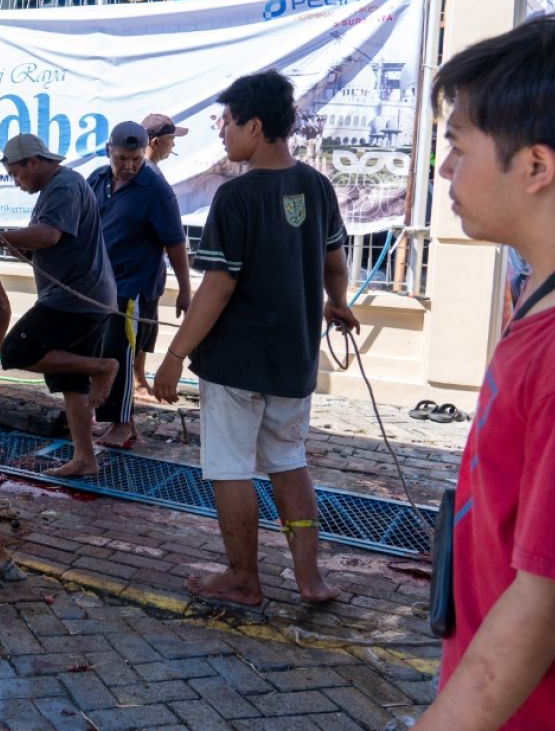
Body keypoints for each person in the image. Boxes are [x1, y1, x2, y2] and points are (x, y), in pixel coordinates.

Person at [413, 12, 555, 731]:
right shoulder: (539, 293)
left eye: (457, 147)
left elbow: (551, 596)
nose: (445, 170)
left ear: (536, 166)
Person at [153, 70, 354, 606]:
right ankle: (311, 580)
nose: (222, 132)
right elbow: (336, 261)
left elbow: (218, 285)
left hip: (236, 363)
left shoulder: (236, 196)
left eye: (228, 122)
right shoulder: (316, 184)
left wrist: (173, 356)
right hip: (293, 361)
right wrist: (338, 303)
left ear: (256, 125)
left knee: (230, 469)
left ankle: (244, 579)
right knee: (289, 463)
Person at [0, 133, 118, 478]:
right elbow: (44, 243)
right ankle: (84, 458)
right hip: (86, 297)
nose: (17, 182)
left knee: (15, 352)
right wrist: (8, 239)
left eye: (17, 174)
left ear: (33, 162)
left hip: (74, 300)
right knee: (69, 382)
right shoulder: (59, 187)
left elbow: (47, 236)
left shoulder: (62, 186)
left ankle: (101, 366)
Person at [86, 120, 191, 448]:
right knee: (101, 353)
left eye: (135, 159)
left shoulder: (155, 189)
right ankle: (107, 419)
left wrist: (186, 290)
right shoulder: (97, 180)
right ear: (109, 153)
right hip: (97, 286)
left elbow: (175, 242)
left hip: (131, 287)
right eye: (122, 159)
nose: (129, 166)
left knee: (120, 354)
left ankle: (124, 425)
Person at [136, 112, 193, 397]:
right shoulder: (148, 177)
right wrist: (185, 287)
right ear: (156, 142)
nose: (174, 146)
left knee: (147, 325)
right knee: (138, 326)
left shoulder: (152, 174)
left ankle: (137, 379)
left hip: (149, 271)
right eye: (171, 140)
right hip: (139, 270)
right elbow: (173, 239)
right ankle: (134, 382)